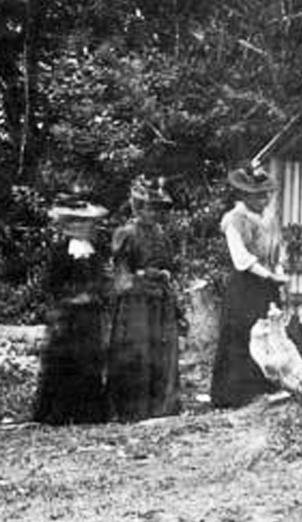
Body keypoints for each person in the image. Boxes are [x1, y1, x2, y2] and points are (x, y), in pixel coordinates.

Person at [209, 163, 286, 408]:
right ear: (245, 196)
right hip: (246, 285)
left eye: (266, 195)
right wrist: (268, 275)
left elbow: (278, 251)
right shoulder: (235, 219)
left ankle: (264, 388)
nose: (264, 200)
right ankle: (235, 395)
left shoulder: (269, 219)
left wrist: (279, 271)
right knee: (242, 334)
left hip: (267, 286)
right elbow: (241, 258)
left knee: (269, 334)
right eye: (258, 196)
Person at [33, 191, 113, 425]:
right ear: (68, 225)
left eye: (88, 222)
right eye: (79, 222)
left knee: (90, 361)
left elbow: (100, 279)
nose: (86, 227)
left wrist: (98, 292)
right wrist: (71, 298)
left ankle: (88, 414)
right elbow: (51, 284)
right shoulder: (60, 252)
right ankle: (59, 413)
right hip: (68, 317)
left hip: (90, 316)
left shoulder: (94, 251)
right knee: (65, 362)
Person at [107, 176, 183, 421]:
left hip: (160, 300)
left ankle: (160, 406)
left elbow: (170, 265)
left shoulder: (161, 234)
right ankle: (132, 409)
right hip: (136, 303)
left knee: (161, 351)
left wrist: (165, 274)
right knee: (138, 349)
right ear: (137, 208)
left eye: (157, 209)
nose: (153, 214)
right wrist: (141, 276)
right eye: (148, 208)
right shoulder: (125, 234)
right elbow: (121, 275)